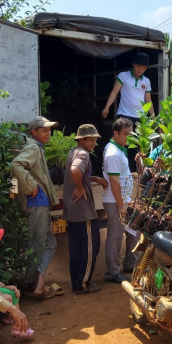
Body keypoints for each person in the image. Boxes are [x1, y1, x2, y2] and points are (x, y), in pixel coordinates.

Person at [10, 116, 61, 299]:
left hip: (40, 203)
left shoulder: (37, 147)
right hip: (36, 204)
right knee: (38, 244)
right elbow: (16, 165)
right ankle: (29, 283)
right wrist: (30, 185)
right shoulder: (32, 147)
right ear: (34, 132)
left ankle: (36, 281)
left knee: (49, 243)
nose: (48, 133)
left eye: (49, 130)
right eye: (44, 130)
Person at [63, 124, 108, 294]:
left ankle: (76, 282)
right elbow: (75, 170)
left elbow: (78, 172)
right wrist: (81, 189)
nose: (94, 143)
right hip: (83, 210)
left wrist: (94, 178)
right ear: (81, 139)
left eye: (95, 140)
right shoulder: (83, 154)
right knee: (91, 246)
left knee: (76, 247)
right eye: (91, 140)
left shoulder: (73, 152)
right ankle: (83, 284)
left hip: (73, 210)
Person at [101, 52, 155, 171]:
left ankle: (134, 172)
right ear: (133, 65)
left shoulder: (146, 81)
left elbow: (148, 100)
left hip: (140, 118)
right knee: (122, 143)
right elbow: (114, 92)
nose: (141, 69)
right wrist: (107, 107)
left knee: (137, 147)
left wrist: (153, 116)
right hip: (124, 116)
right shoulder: (123, 76)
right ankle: (117, 170)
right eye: (139, 66)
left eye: (144, 67)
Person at [102, 117, 138, 284]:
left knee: (133, 231)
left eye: (131, 134)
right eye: (125, 134)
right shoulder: (114, 154)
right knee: (115, 237)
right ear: (115, 133)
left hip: (123, 200)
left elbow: (120, 177)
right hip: (116, 201)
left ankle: (130, 263)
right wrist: (121, 205)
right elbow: (114, 181)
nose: (129, 138)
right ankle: (113, 272)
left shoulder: (119, 150)